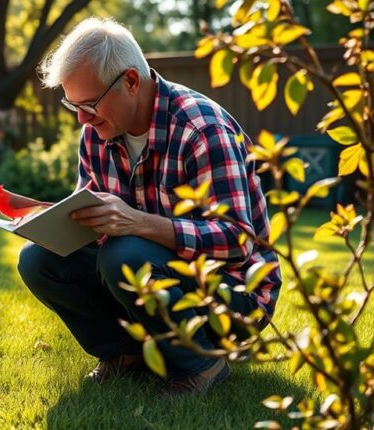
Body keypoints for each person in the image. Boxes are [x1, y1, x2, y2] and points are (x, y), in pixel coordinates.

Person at [18, 17, 282, 396]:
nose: (81, 119)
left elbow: (239, 240)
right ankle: (124, 355)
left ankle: (202, 365)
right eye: (72, 105)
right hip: (154, 278)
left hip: (234, 295)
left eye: (89, 104)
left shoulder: (201, 128)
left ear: (130, 81)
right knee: (36, 259)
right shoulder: (96, 133)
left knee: (124, 254)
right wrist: (53, 225)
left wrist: (139, 223)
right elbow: (91, 220)